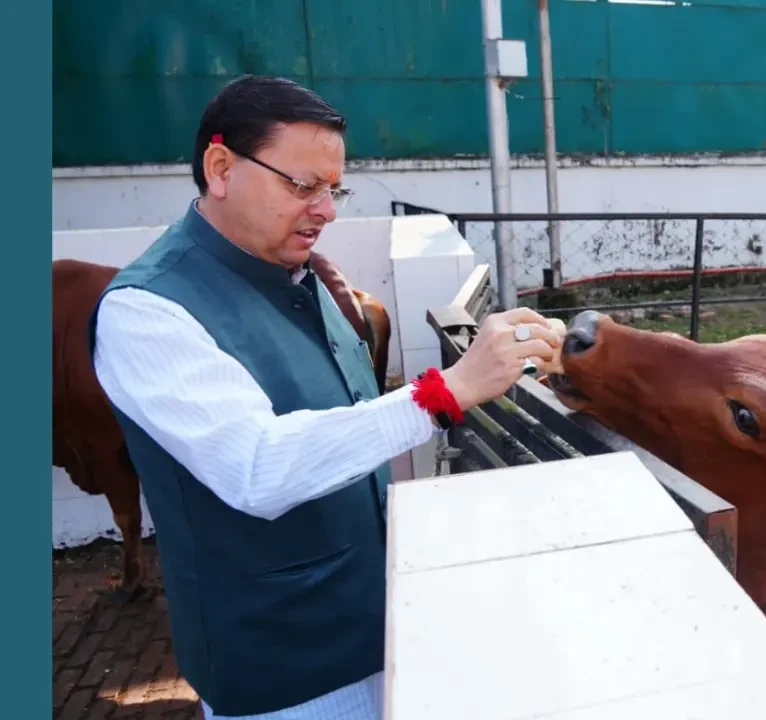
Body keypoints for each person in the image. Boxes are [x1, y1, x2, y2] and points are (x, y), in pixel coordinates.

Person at [87, 75, 562, 719]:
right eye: (302, 186)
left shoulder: (298, 274)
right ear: (221, 167)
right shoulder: (147, 311)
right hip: (287, 678)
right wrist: (446, 391)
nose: (327, 209)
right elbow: (258, 468)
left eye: (333, 189)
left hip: (375, 631)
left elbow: (347, 431)